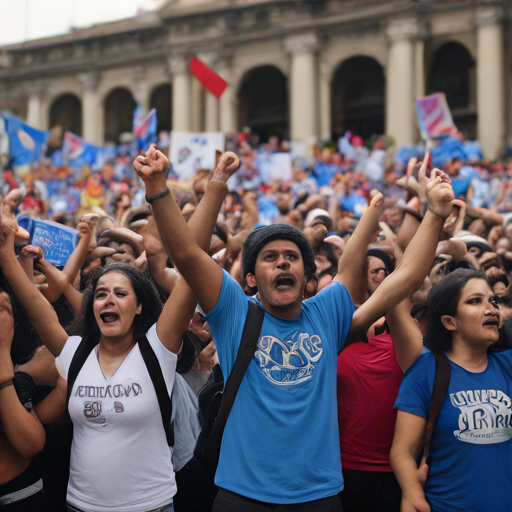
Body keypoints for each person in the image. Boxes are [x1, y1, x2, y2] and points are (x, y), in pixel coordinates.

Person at [134, 147, 454, 511]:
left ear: (307, 276)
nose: (282, 261)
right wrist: (158, 186)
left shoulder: (328, 312)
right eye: (269, 258)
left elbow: (407, 276)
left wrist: (435, 214)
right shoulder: (233, 310)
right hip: (242, 497)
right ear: (251, 278)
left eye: (292, 256)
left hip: (318, 498)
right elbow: (189, 255)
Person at [0, 148, 241, 512]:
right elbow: (39, 311)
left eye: (120, 293)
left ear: (140, 305)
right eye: (100, 294)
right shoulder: (75, 353)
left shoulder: (157, 350)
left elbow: (191, 260)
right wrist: (6, 254)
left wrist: (210, 185)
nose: (108, 300)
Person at [390, 269, 512, 512]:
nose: (491, 309)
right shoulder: (427, 370)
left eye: (493, 300)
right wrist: (415, 498)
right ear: (449, 321)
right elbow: (402, 453)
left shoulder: (508, 365)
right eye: (475, 301)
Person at [337, 249, 423, 512]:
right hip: (336, 473)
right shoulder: (330, 333)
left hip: (391, 476)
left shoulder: (406, 340)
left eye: (383, 270)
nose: (377, 276)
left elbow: (402, 289)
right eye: (366, 270)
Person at [0, 290, 46, 511]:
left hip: (19, 494)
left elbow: (31, 444)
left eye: (0, 309)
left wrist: (5, 380)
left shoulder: (20, 378)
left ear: (14, 324)